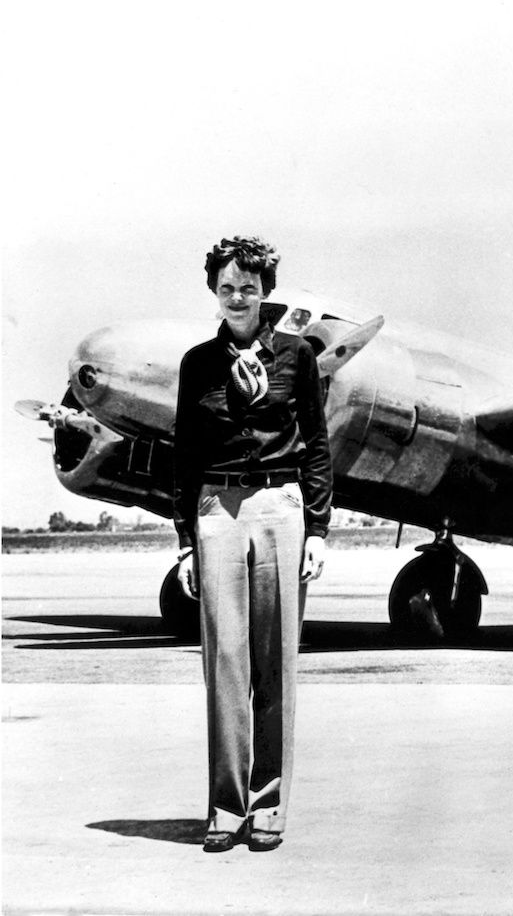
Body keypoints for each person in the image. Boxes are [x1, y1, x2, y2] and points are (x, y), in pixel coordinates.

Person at [172, 236, 332, 853]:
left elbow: (316, 446)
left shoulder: (297, 357)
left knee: (275, 664)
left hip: (280, 507)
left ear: (266, 290)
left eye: (248, 286)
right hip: (217, 509)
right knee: (225, 666)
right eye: (226, 287)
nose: (237, 297)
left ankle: (268, 807)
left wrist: (317, 530)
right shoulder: (196, 364)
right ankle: (224, 807)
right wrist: (187, 540)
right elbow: (184, 455)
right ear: (213, 290)